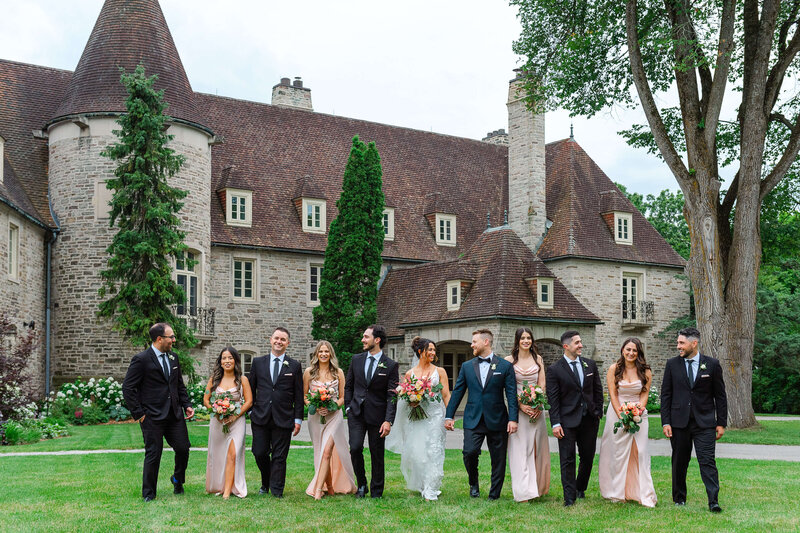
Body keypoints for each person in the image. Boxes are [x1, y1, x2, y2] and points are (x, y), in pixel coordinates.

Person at [122, 322, 194, 502]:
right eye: (171, 337)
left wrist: (186, 405)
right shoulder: (141, 359)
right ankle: (149, 493)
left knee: (183, 448)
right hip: (152, 416)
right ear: (159, 339)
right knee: (154, 453)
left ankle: (177, 479)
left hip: (174, 415)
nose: (174, 340)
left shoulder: (174, 358)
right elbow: (128, 388)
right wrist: (139, 414)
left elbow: (178, 385)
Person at [444, 328, 518, 501]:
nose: (471, 345)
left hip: (498, 418)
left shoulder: (505, 366)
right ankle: (473, 484)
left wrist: (513, 419)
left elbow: (511, 395)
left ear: (486, 342)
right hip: (473, 418)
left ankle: (494, 494)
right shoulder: (467, 366)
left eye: (474, 342)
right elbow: (458, 392)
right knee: (469, 452)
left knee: (498, 459)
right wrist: (449, 415)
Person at [661, 327, 727, 512]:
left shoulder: (712, 364)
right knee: (679, 462)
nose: (678, 346)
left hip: (705, 423)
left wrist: (721, 422)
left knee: (707, 461)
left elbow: (720, 396)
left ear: (694, 343)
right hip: (678, 422)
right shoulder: (672, 364)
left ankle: (713, 501)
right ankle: (679, 498)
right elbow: (666, 395)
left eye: (681, 343)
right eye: (678, 343)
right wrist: (666, 421)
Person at [386, 337, 451, 501]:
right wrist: (412, 401)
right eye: (430, 349)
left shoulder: (440, 371)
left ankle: (431, 488)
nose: (433, 353)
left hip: (436, 416)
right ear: (420, 351)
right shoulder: (410, 374)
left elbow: (446, 395)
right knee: (417, 453)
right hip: (416, 417)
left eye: (434, 350)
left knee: (434, 451)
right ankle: (422, 483)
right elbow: (404, 398)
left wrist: (449, 416)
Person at [546, 330, 603, 506]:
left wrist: (598, 412)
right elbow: (553, 399)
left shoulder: (590, 365)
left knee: (587, 457)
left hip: (589, 420)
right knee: (567, 458)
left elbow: (598, 390)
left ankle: (580, 488)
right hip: (567, 421)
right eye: (577, 343)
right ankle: (569, 497)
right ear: (566, 346)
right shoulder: (554, 369)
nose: (581, 345)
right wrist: (555, 423)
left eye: (580, 342)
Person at [598, 338, 656, 507]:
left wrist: (637, 412)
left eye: (635, 350)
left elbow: (644, 394)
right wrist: (622, 416)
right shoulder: (613, 369)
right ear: (622, 350)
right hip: (617, 413)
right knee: (618, 452)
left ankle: (643, 493)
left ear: (639, 353)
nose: (631, 353)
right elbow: (613, 395)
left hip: (639, 414)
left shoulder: (645, 370)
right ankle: (617, 492)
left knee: (641, 451)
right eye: (628, 349)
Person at [344, 324, 400, 498]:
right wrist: (348, 407)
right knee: (354, 448)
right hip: (356, 413)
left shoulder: (390, 365)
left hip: (378, 416)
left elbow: (392, 395)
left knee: (377, 453)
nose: (363, 340)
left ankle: (377, 490)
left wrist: (388, 420)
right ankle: (361, 485)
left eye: (366, 337)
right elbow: (349, 386)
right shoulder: (356, 360)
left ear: (377, 340)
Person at [248, 327, 304, 498]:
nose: (279, 342)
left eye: (283, 339)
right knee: (259, 452)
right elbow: (250, 388)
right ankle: (266, 482)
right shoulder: (258, 362)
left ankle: (277, 490)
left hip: (284, 417)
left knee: (280, 456)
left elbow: (298, 394)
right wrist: (250, 411)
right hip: (260, 416)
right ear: (270, 340)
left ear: (288, 343)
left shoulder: (294, 365)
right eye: (276, 338)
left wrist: (298, 419)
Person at [303, 340, 356, 499]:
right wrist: (315, 405)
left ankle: (318, 490)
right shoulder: (309, 372)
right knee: (320, 452)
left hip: (334, 417)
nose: (324, 354)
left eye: (327, 351)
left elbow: (342, 398)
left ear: (331, 354)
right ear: (316, 354)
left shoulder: (338, 372)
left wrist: (332, 406)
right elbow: (305, 396)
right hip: (315, 417)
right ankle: (330, 486)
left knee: (327, 451)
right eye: (321, 352)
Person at [505, 327, 550, 502]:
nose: (526, 341)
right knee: (519, 449)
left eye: (528, 338)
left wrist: (538, 403)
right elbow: (508, 387)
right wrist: (521, 404)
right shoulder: (509, 361)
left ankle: (536, 487)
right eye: (522, 338)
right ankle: (522, 491)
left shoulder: (538, 359)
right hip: (518, 411)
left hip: (537, 409)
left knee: (536, 448)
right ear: (517, 341)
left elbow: (542, 383)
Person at [203, 346, 253, 499]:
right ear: (220, 361)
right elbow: (206, 399)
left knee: (233, 454)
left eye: (230, 358)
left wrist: (235, 416)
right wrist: (215, 411)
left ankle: (227, 491)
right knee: (218, 454)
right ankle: (219, 485)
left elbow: (249, 401)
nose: (227, 361)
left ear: (235, 360)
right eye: (224, 358)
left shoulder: (242, 379)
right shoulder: (214, 380)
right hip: (218, 422)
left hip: (236, 422)